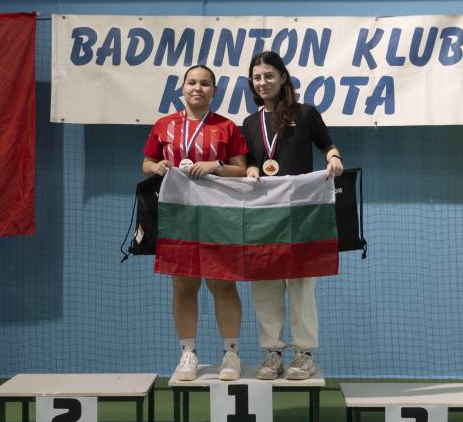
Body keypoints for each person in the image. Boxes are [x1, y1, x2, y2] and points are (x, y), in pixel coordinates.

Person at [142, 64, 249, 381]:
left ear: (214, 91)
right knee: (184, 286)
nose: (197, 88)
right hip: (179, 217)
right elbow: (147, 162)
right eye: (191, 82)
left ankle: (231, 354)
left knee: (222, 284)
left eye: (205, 83)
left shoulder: (227, 127)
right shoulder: (163, 126)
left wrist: (216, 166)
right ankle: (187, 354)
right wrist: (156, 167)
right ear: (182, 88)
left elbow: (241, 169)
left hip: (218, 216)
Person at [241, 51, 343, 380]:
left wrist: (334, 159)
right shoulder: (249, 123)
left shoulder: (306, 113)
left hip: (301, 214)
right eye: (257, 77)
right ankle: (272, 353)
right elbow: (248, 161)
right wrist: (251, 168)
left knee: (301, 285)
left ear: (283, 77)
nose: (263, 82)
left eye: (269, 75)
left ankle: (304, 354)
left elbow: (328, 146)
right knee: (265, 286)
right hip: (263, 216)